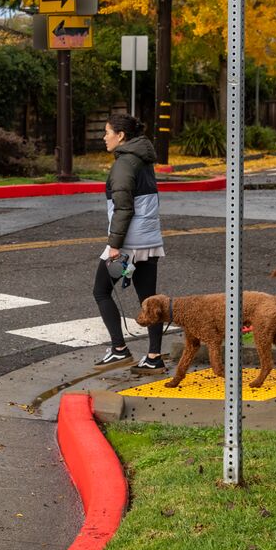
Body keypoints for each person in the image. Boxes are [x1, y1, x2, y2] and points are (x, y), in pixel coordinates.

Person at [92, 114, 167, 372]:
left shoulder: (124, 163)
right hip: (149, 240)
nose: (104, 137)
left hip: (128, 244)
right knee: (149, 299)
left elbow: (123, 208)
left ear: (121, 135)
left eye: (107, 132)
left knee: (101, 291)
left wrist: (114, 246)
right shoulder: (143, 160)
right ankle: (154, 357)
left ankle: (119, 349)